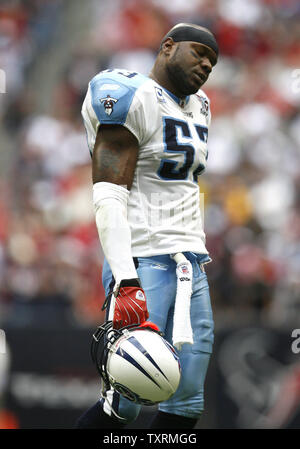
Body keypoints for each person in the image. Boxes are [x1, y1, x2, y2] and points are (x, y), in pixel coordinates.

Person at [76, 22, 218, 429]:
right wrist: (124, 277)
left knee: (188, 400)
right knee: (129, 399)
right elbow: (108, 192)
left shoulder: (202, 104)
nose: (207, 64)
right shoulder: (129, 94)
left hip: (191, 261)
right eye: (200, 53)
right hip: (144, 256)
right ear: (168, 46)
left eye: (213, 61)